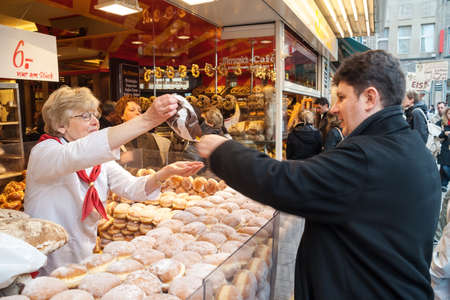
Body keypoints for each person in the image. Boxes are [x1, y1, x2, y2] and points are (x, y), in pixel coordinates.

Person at [196, 50, 441, 299]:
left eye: (342, 97)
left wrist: (221, 151)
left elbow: (283, 182)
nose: (334, 108)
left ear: (369, 98)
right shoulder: (414, 149)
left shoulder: (367, 158)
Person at [24, 86, 203, 275]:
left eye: (95, 115)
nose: (95, 122)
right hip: (48, 262)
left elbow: (132, 188)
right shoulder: (45, 152)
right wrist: (148, 119)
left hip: (85, 254)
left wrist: (164, 173)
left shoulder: (98, 159)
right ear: (61, 125)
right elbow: (76, 154)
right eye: (85, 116)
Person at [115, 96, 171, 169]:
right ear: (122, 115)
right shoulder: (115, 138)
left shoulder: (150, 139)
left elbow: (159, 165)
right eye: (132, 110)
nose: (137, 113)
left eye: (139, 111)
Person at [438, 107, 450, 193]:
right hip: (445, 148)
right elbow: (436, 133)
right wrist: (444, 133)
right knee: (444, 166)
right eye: (449, 114)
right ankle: (444, 184)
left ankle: (444, 184)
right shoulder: (443, 122)